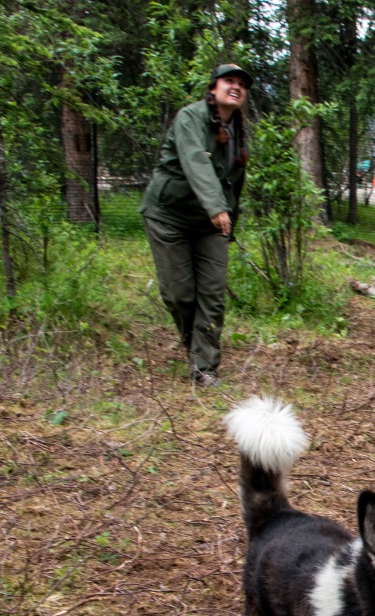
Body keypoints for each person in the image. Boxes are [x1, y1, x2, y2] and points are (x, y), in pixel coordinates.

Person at [140, 64, 253, 386]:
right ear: (213, 88)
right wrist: (217, 207)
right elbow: (196, 161)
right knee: (180, 295)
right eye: (229, 81)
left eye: (242, 84)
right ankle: (195, 348)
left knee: (213, 296)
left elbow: (234, 182)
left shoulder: (237, 132)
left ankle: (204, 367)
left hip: (212, 225)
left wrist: (230, 221)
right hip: (169, 215)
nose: (236, 87)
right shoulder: (190, 117)